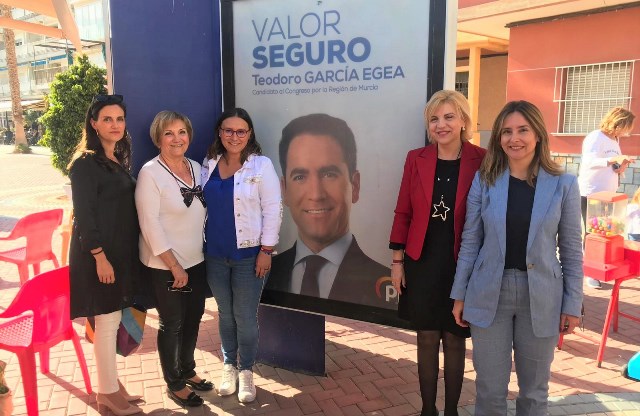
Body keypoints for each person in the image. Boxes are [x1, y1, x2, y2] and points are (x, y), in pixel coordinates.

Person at [451, 101, 584, 416]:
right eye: (506, 132)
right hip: (488, 294)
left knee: (535, 395)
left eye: (523, 130)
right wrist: (459, 294)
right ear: (498, 138)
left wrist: (572, 302)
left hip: (541, 296)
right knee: (490, 393)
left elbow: (570, 247)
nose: (515, 139)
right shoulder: (485, 180)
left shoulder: (564, 184)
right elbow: (471, 240)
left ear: (538, 134)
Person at [389, 90, 486, 416]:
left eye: (448, 117)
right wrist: (397, 261)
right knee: (427, 337)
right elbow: (403, 211)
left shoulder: (482, 159)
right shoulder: (416, 158)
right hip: (422, 261)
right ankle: (428, 409)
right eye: (434, 119)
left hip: (462, 262)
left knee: (456, 337)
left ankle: (452, 411)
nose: (441, 124)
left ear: (463, 121)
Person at [266, 113, 391, 308]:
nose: (316, 194)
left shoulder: (386, 285)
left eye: (329, 174)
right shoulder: (266, 275)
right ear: (285, 190)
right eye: (300, 177)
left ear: (355, 186)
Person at [68, 94, 142, 416]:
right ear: (94, 124)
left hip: (118, 254)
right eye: (107, 119)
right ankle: (107, 394)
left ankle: (112, 385)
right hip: (100, 257)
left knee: (111, 320)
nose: (115, 125)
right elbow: (84, 216)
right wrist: (99, 257)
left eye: (120, 119)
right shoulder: (85, 164)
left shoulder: (114, 160)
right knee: (107, 321)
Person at [202, 108, 282, 403]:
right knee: (225, 314)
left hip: (250, 255)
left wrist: (266, 250)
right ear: (219, 133)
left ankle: (246, 370)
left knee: (245, 316)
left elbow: (274, 209)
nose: (234, 137)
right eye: (228, 130)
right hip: (214, 254)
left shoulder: (261, 166)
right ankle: (228, 366)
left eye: (241, 131)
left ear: (249, 134)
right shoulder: (209, 164)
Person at [135, 111, 211, 408]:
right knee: (173, 322)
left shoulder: (196, 167)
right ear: (158, 138)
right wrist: (173, 265)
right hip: (165, 263)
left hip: (196, 258)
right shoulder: (150, 172)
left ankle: (188, 370)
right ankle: (174, 383)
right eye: (169, 133)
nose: (177, 139)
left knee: (194, 317)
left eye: (182, 132)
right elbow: (149, 223)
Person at [578, 107, 636, 288]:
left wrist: (621, 166)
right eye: (626, 126)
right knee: (592, 233)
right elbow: (589, 162)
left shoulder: (614, 140)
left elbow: (612, 166)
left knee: (606, 232)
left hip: (609, 195)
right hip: (592, 193)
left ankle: (601, 266)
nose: (627, 131)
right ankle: (590, 272)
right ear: (617, 122)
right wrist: (614, 159)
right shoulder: (596, 136)